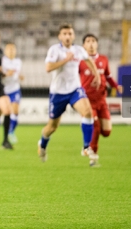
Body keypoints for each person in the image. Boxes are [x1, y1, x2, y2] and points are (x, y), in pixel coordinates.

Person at [38, 23, 100, 166]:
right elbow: (48, 68)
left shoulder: (78, 50)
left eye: (70, 33)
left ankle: (86, 147)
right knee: (52, 127)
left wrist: (96, 75)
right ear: (60, 36)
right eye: (64, 34)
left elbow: (88, 60)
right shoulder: (55, 50)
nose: (67, 36)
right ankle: (42, 143)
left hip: (74, 90)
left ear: (73, 36)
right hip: (58, 93)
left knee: (88, 112)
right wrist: (66, 59)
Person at [79, 34, 122, 166]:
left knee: (106, 132)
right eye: (88, 41)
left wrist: (116, 86)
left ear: (97, 44)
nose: (91, 44)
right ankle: (93, 158)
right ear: (83, 45)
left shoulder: (103, 59)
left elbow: (108, 76)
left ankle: (88, 140)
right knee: (96, 127)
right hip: (87, 101)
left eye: (93, 41)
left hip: (102, 100)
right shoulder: (80, 61)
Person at [0, 43, 24, 146]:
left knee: (16, 111)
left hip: (15, 89)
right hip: (4, 90)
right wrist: (5, 75)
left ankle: (11, 132)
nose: (11, 51)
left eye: (13, 49)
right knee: (2, 113)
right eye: (9, 49)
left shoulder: (18, 62)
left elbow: (16, 74)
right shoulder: (2, 61)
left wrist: (20, 77)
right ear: (5, 51)